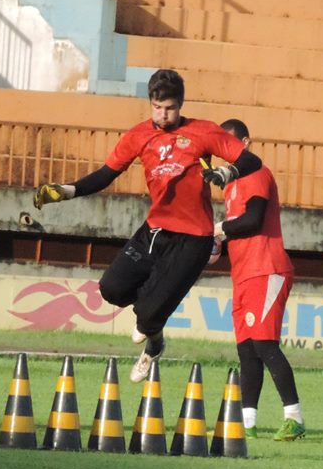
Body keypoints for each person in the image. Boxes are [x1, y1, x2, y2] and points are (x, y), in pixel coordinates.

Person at [33, 69, 261, 382]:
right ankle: (153, 324)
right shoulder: (139, 135)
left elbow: (252, 161)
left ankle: (153, 341)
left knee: (148, 314)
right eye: (157, 108)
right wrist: (67, 191)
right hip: (154, 231)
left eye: (169, 108)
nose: (163, 115)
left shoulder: (203, 131)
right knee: (110, 289)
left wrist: (226, 173)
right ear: (150, 103)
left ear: (180, 104)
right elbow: (106, 175)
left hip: (193, 238)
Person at [213, 118, 304, 441]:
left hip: (267, 269)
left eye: (231, 144)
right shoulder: (230, 184)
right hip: (245, 274)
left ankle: (294, 417)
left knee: (265, 344)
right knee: (247, 351)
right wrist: (217, 246)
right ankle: (246, 423)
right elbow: (239, 230)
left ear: (246, 143)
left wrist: (219, 230)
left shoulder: (256, 173)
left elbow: (252, 221)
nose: (226, 153)